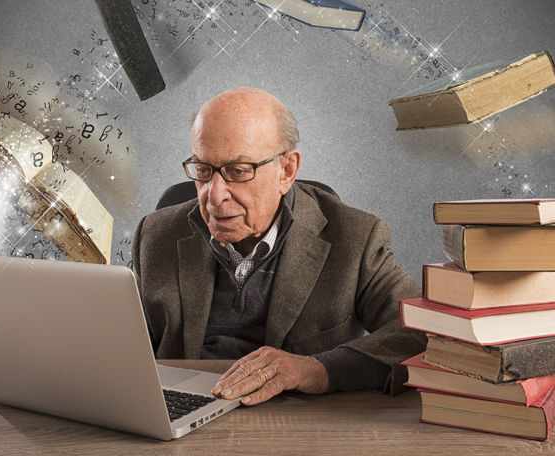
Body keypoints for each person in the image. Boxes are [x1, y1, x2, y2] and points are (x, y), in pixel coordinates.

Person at [132, 87, 426, 406]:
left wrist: (319, 370)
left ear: (286, 171)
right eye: (203, 171)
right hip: (181, 416)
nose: (214, 196)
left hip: (298, 421)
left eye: (238, 171)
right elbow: (120, 346)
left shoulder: (356, 237)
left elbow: (423, 330)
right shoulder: (155, 233)